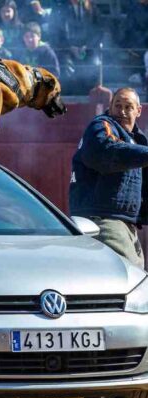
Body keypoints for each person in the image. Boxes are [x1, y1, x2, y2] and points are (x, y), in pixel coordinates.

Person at [69, 88, 148, 268]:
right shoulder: (101, 125)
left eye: (128, 107)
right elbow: (105, 151)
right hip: (105, 222)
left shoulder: (136, 140)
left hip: (125, 225)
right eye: (117, 105)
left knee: (135, 281)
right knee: (127, 278)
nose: (122, 111)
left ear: (138, 110)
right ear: (109, 107)